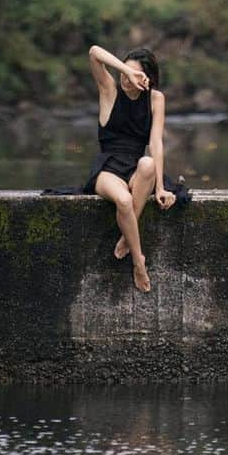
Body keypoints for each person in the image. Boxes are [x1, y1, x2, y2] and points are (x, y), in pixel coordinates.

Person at [85, 43, 177, 293]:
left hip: (138, 170)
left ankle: (127, 235)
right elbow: (94, 52)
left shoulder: (155, 99)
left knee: (147, 162)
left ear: (147, 78)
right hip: (108, 168)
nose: (126, 80)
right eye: (124, 74)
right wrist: (126, 69)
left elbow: (156, 143)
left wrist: (159, 188)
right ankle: (139, 262)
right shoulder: (109, 91)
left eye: (134, 75)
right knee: (123, 201)